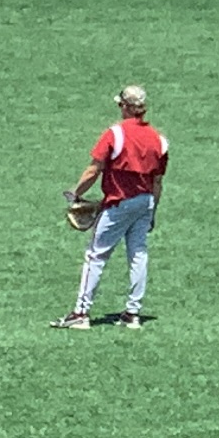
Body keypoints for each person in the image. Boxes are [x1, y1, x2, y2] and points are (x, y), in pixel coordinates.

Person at [54, 84, 167, 330]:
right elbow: (157, 182)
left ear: (126, 107)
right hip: (145, 202)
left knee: (96, 255)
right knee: (138, 254)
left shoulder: (115, 134)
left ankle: (80, 313)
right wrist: (152, 212)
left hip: (119, 204)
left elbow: (94, 169)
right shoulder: (159, 140)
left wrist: (76, 193)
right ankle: (132, 313)